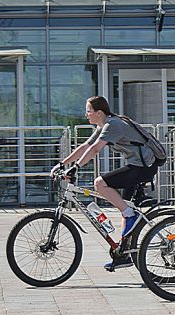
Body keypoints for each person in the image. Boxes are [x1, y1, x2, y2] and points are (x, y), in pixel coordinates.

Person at [56, 96, 159, 271]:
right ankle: (124, 255)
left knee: (100, 184)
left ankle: (130, 217)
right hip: (137, 165)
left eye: (88, 111)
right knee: (126, 209)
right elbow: (85, 146)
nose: (86, 114)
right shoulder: (103, 125)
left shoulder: (113, 125)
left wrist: (76, 167)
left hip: (143, 166)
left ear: (99, 112)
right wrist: (62, 164)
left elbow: (96, 149)